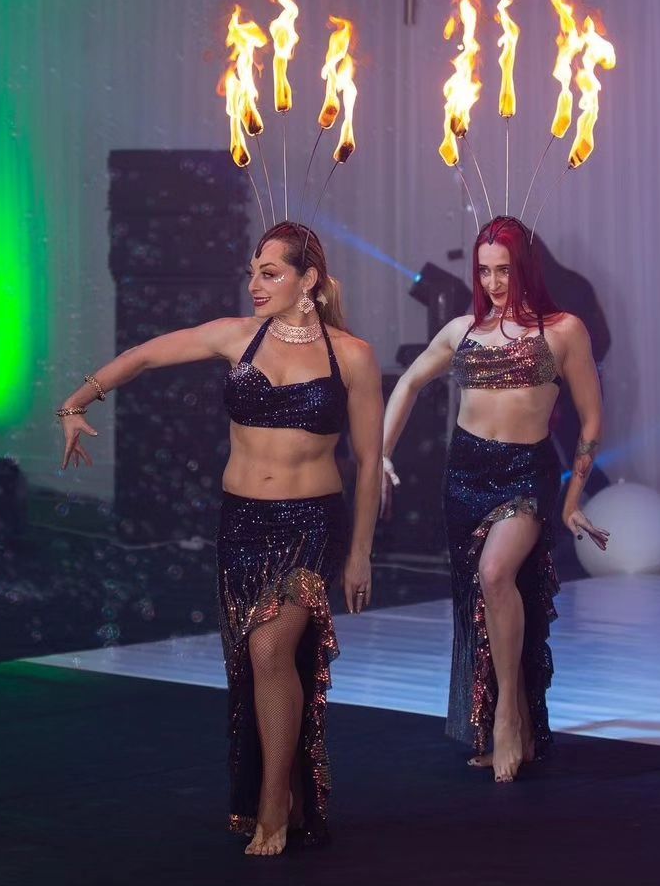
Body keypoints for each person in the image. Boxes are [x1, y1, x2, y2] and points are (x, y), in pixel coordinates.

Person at [58, 222, 383, 854]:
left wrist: (361, 553)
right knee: (253, 664)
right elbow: (145, 354)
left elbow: (369, 462)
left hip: (310, 525)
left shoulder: (352, 355)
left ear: (308, 280)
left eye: (270, 273)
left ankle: (273, 805)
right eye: (253, 272)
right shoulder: (237, 336)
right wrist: (76, 403)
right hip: (241, 525)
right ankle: (284, 790)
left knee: (269, 649)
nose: (255, 284)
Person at [381, 216, 607, 783]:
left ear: (525, 268)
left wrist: (572, 498)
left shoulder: (563, 330)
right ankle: (513, 724)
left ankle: (507, 715)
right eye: (484, 272)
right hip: (465, 474)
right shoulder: (462, 331)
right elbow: (409, 382)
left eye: (503, 270)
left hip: (525, 474)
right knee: (479, 600)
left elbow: (591, 419)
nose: (493, 282)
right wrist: (381, 454)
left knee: (495, 572)